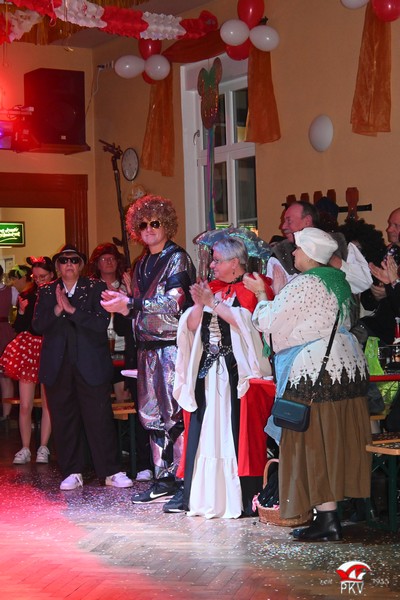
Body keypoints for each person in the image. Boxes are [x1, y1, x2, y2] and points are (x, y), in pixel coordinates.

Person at [245, 227, 371, 542]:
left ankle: (327, 520)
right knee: (333, 444)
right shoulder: (338, 281)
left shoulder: (306, 283)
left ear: (311, 254)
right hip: (345, 370)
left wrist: (261, 295)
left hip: (314, 373)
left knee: (312, 444)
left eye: (298, 249)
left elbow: (267, 321)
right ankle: (330, 517)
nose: (294, 254)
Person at [101, 194, 196, 504]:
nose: (149, 229)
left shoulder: (177, 258)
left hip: (171, 347)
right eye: (142, 225)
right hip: (146, 348)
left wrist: (131, 302)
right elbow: (138, 307)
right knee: (150, 416)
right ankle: (162, 477)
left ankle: (183, 480)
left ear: (166, 224)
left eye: (154, 223)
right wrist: (123, 306)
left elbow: (174, 302)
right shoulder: (141, 263)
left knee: (174, 415)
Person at [172, 237, 274, 519]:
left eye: (217, 260)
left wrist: (213, 303)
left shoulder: (254, 287)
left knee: (234, 433)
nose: (213, 266)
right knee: (207, 431)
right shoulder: (212, 288)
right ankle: (204, 496)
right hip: (208, 374)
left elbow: (251, 325)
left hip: (237, 376)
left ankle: (239, 498)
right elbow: (192, 327)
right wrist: (199, 304)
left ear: (234, 262)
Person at [32, 244, 133, 490]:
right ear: (58, 266)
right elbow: (37, 325)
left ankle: (111, 471)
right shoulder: (47, 291)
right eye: (64, 261)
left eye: (74, 260)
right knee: (64, 419)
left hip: (91, 364)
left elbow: (100, 323)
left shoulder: (95, 287)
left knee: (99, 419)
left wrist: (72, 310)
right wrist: (58, 309)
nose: (69, 264)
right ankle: (72, 471)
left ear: (81, 265)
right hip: (58, 365)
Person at [89, 242, 153, 481]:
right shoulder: (92, 287)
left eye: (112, 258)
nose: (108, 262)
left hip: (126, 350)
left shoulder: (130, 286)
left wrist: (129, 297)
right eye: (103, 259)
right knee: (102, 406)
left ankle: (139, 456)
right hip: (99, 350)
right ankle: (111, 457)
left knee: (134, 403)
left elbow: (128, 325)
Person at [0, 261, 54, 464]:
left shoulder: (58, 294)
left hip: (50, 348)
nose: (39, 281)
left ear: (52, 275)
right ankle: (24, 447)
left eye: (43, 277)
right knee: (25, 404)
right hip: (30, 349)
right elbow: (19, 327)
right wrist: (22, 312)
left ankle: (43, 447)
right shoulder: (28, 295)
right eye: (35, 277)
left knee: (48, 404)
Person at [267, 200, 373, 295]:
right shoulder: (279, 254)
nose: (283, 226)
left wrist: (328, 257)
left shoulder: (342, 244)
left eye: (289, 221)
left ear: (307, 221)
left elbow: (363, 283)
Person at [0, 265, 17, 420]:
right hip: (5, 332)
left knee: (5, 376)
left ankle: (6, 415)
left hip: (4, 333)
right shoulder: (10, 291)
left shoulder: (11, 291)